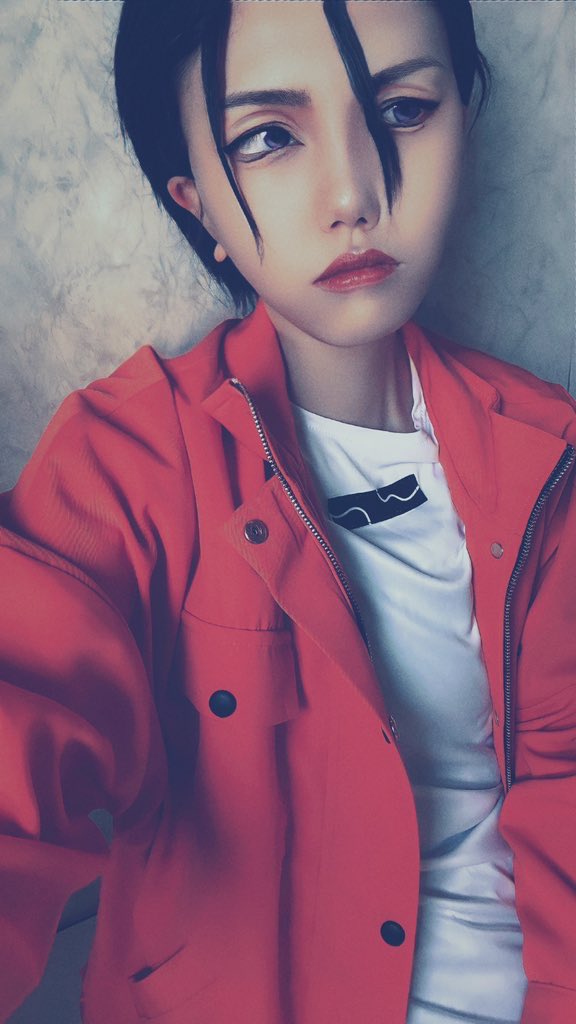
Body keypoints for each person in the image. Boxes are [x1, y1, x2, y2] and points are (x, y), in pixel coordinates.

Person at [1, 2, 575, 1022]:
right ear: (198, 206)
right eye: (268, 137)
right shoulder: (128, 464)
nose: (353, 195)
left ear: (466, 121)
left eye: (402, 111)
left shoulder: (546, 459)